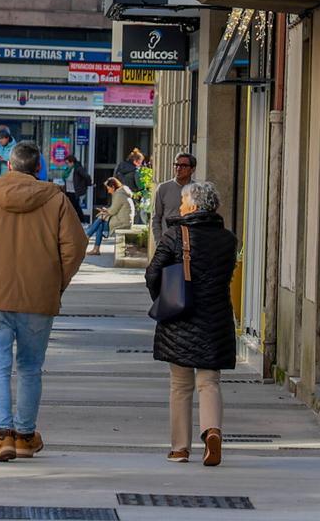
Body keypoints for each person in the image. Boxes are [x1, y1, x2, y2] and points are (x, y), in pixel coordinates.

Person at [0, 142, 87, 462]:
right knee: (30, 369)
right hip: (38, 296)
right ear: (38, 168)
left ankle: (3, 437)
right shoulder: (55, 198)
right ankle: (25, 436)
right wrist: (56, 283)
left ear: (9, 166)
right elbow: (75, 246)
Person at [146, 181, 237, 466]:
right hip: (215, 317)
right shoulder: (228, 239)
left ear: (194, 206)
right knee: (209, 381)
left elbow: (152, 273)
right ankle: (212, 431)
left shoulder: (175, 234)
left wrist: (162, 298)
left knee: (180, 385)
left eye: (184, 201)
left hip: (180, 317)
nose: (181, 206)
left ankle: (180, 448)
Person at [153, 152, 197, 244]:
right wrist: (159, 241)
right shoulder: (163, 188)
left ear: (192, 169)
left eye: (183, 165)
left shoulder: (197, 190)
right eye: (176, 165)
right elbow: (157, 217)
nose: (178, 168)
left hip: (191, 242)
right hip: (168, 242)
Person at [85, 177, 134, 256]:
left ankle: (87, 238)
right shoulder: (120, 193)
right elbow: (114, 209)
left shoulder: (119, 195)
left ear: (113, 187)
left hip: (122, 222)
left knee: (100, 221)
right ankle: (94, 247)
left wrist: (105, 212)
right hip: (121, 220)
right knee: (100, 223)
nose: (108, 191)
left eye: (108, 188)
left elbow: (112, 211)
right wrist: (105, 211)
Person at [63, 154, 92, 223]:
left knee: (76, 207)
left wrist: (87, 184)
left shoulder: (77, 169)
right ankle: (73, 221)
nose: (67, 165)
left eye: (67, 163)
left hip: (75, 191)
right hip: (68, 191)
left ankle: (82, 221)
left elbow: (87, 176)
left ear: (72, 162)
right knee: (70, 206)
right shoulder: (68, 170)